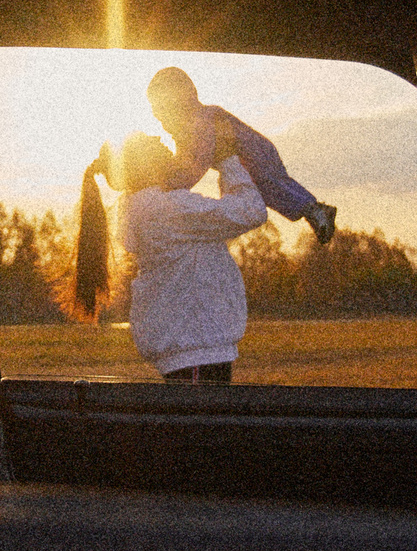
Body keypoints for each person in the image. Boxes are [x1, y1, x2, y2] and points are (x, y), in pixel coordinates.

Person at [73, 132, 265, 383]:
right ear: (144, 165)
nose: (161, 141)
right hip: (195, 349)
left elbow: (229, 218)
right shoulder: (168, 208)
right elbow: (251, 211)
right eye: (153, 144)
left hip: (194, 348)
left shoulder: (151, 207)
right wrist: (228, 161)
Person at [145, 65, 336, 245]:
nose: (161, 119)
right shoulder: (190, 128)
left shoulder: (202, 121)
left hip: (253, 154)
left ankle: (313, 209)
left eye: (162, 110)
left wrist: (175, 184)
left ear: (177, 104)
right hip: (248, 157)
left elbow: (198, 161)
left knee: (270, 185)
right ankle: (313, 210)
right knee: (268, 190)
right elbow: (186, 159)